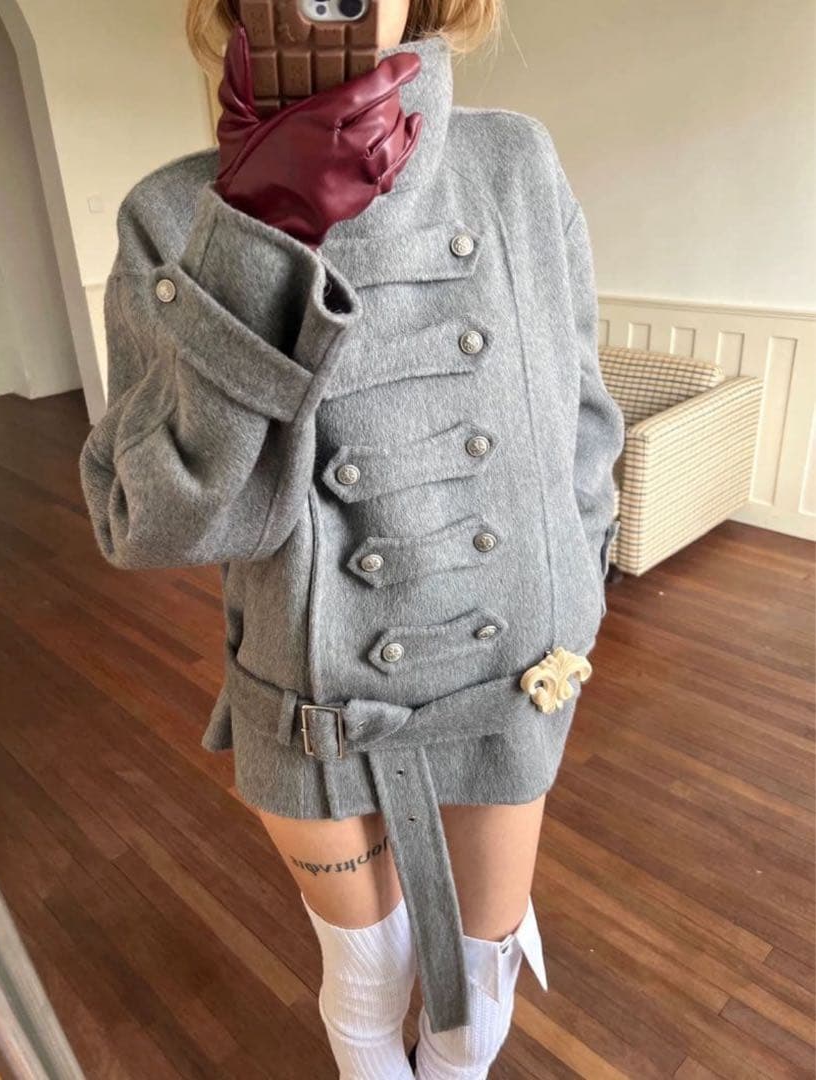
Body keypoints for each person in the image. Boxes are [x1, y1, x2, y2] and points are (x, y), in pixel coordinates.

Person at [78, 0, 625, 1076]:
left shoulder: (513, 165)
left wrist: (579, 586)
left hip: (509, 676)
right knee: (369, 980)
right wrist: (255, 240)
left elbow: (581, 414)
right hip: (316, 701)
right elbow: (149, 521)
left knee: (475, 1001)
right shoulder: (176, 215)